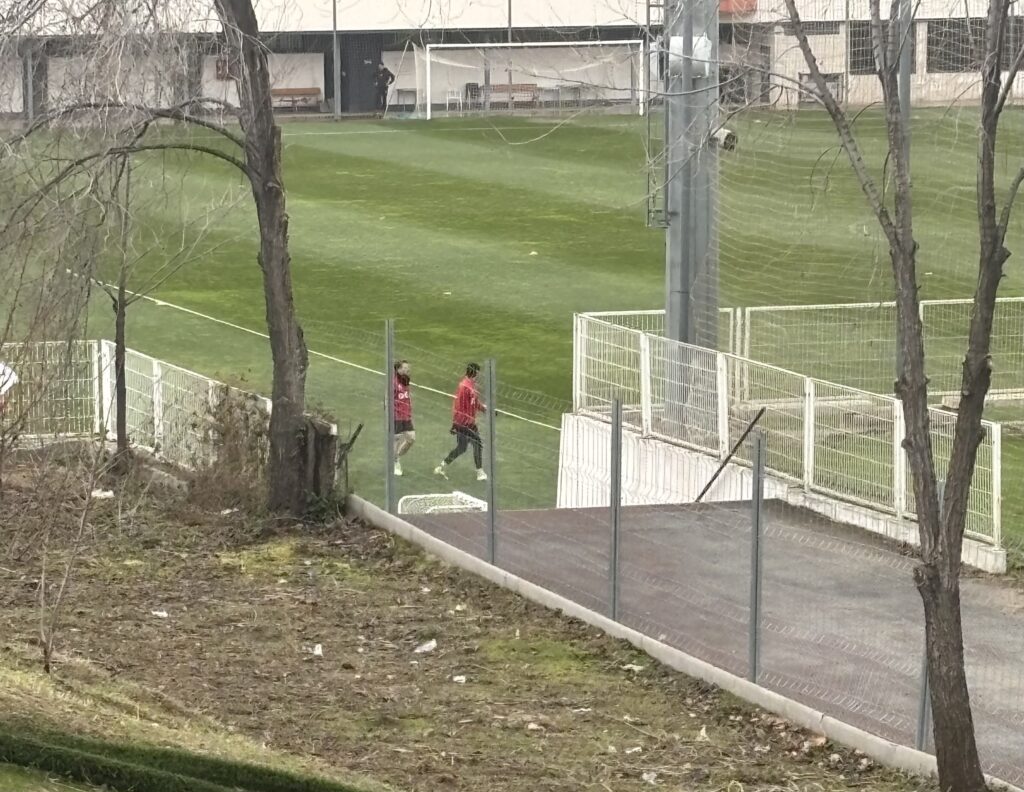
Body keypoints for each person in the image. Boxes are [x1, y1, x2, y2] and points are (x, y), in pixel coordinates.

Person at [435, 362, 487, 481]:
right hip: (464, 423)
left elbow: (474, 402)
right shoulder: (464, 387)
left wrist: (485, 410)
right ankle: (480, 472)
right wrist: (455, 424)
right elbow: (458, 406)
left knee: (462, 447)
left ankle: (442, 466)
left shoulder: (471, 385)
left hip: (469, 422)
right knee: (477, 444)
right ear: (476, 373)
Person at [392, 360, 414, 477]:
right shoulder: (393, 382)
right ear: (399, 369)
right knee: (396, 439)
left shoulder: (405, 380)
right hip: (396, 415)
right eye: (405, 368)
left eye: (408, 367)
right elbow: (388, 398)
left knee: (411, 439)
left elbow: (407, 396)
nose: (407, 369)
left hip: (406, 415)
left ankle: (396, 457)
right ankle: (395, 463)